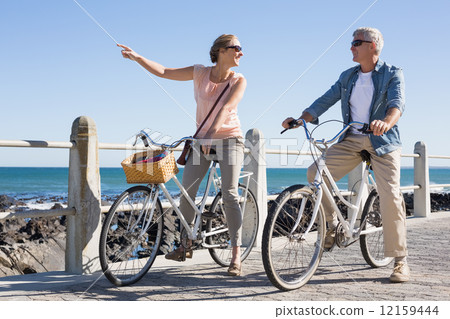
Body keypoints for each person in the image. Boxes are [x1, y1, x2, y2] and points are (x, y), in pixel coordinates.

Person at [282, 27, 409, 283]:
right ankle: (331, 226)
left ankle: (400, 261)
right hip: (351, 139)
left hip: (383, 141)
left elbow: (397, 104)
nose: (351, 47)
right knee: (314, 173)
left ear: (373, 46)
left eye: (356, 43)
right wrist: (300, 119)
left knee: (391, 195)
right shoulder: (348, 76)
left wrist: (386, 121)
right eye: (352, 43)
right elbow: (324, 100)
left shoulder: (392, 73)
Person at [118, 34, 246, 276]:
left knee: (229, 194)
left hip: (230, 141)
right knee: (186, 193)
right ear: (220, 50)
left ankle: (236, 254)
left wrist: (211, 134)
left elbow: (228, 107)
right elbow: (165, 71)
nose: (241, 52)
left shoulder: (239, 80)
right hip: (201, 141)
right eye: (236, 48)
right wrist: (137, 58)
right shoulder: (200, 73)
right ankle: (185, 244)